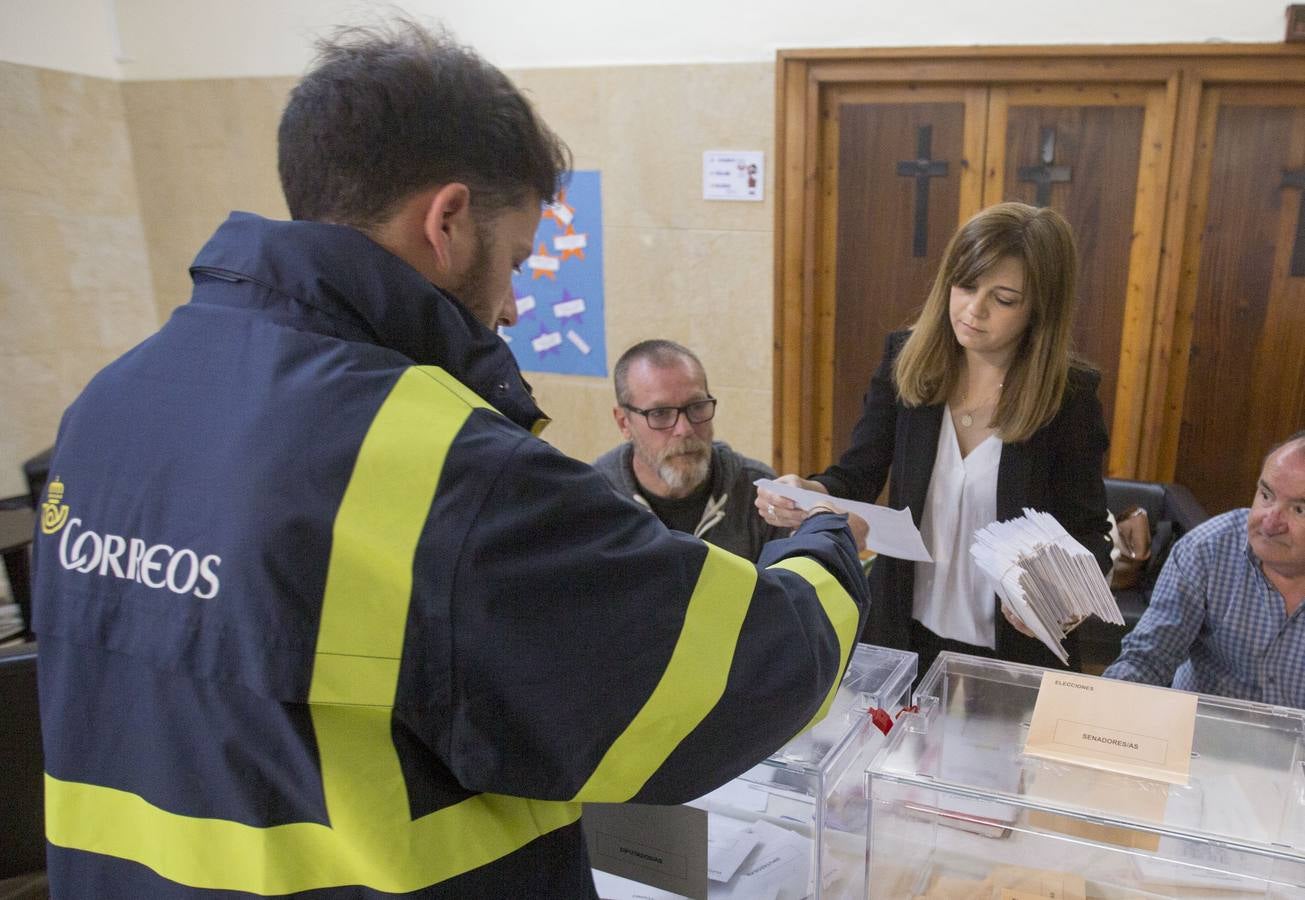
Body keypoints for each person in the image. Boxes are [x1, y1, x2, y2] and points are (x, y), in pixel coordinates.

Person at [31, 22, 871, 899]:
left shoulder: (110, 402)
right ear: (447, 219)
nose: (510, 307)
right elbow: (732, 675)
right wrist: (823, 544)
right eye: (513, 261)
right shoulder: (434, 461)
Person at [757, 201, 1112, 677]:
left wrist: (1060, 600)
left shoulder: (1069, 396)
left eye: (1003, 299)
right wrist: (807, 495)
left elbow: (1087, 535)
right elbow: (856, 475)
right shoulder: (906, 359)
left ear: (1039, 309)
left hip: (1013, 650)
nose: (973, 309)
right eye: (964, 285)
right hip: (903, 633)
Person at [1104, 432, 1305, 706]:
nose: (1269, 522)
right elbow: (1148, 657)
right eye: (1266, 495)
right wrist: (1099, 715)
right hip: (1201, 739)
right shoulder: (1208, 549)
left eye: (1299, 510)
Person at [594, 339, 784, 561]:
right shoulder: (595, 500)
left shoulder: (758, 496)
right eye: (660, 413)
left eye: (697, 407)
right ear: (624, 423)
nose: (684, 429)